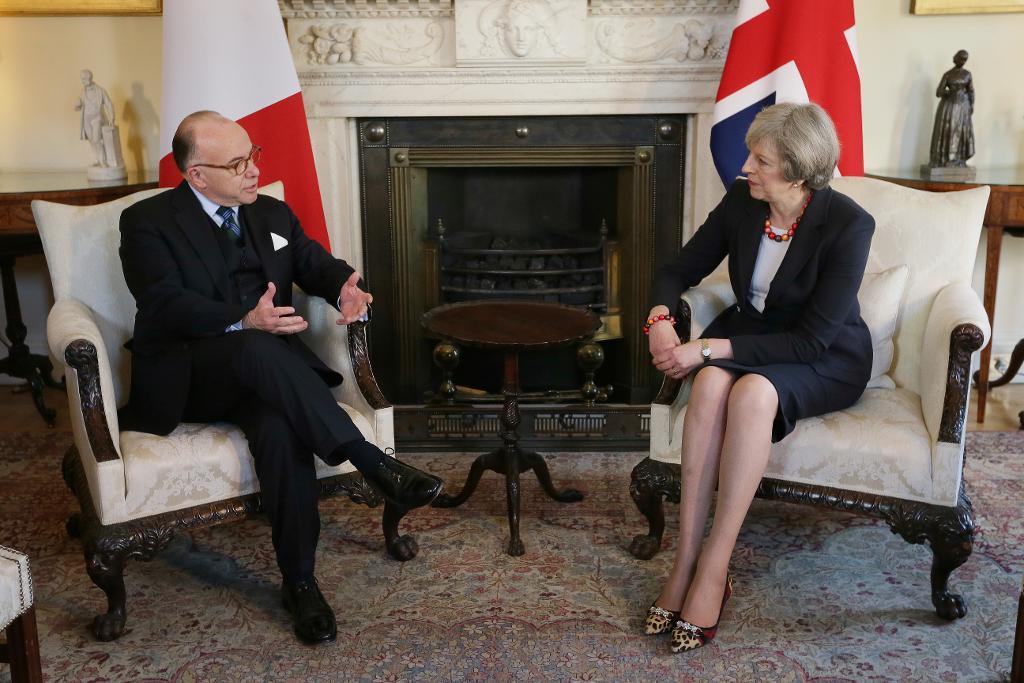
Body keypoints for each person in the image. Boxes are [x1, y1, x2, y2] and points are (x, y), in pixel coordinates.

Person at [118, 110, 444, 645]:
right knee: (252, 343)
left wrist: (344, 288)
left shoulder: (270, 211)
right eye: (237, 163)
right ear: (197, 174)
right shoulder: (148, 221)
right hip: (190, 374)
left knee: (280, 428)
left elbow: (314, 263)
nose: (253, 171)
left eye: (254, 156)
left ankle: (300, 582)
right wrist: (243, 319)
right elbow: (164, 302)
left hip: (267, 378)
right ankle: (371, 462)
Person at [642, 102, 874, 654]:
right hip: (753, 334)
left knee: (748, 393)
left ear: (796, 171)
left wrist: (706, 346)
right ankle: (683, 563)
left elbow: (812, 339)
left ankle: (714, 569)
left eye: (760, 159)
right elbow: (676, 269)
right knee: (712, 384)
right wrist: (657, 321)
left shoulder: (848, 224)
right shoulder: (743, 205)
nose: (745, 166)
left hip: (824, 355)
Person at [927, 49, 975, 168]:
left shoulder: (967, 74)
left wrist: (971, 106)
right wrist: (949, 92)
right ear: (956, 58)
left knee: (960, 132)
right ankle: (943, 159)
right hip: (948, 108)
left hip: (963, 107)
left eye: (965, 59)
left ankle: (959, 159)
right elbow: (938, 92)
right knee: (948, 131)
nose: (963, 61)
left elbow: (971, 91)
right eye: (961, 58)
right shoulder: (948, 74)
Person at [75, 69, 116, 167]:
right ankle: (98, 159)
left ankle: (103, 161)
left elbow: (108, 103)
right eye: (82, 79)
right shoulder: (82, 91)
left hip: (97, 118)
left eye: (84, 79)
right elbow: (78, 106)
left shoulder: (100, 90)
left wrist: (112, 117)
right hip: (86, 120)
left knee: (96, 139)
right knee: (92, 141)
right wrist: (77, 105)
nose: (82, 81)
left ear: (89, 78)